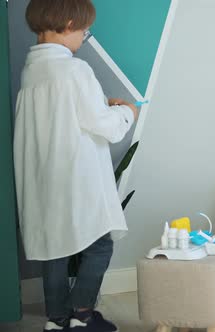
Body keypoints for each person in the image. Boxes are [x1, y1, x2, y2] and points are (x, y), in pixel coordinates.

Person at [13, 1, 138, 331]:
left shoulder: (31, 71)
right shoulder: (74, 70)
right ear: (69, 24)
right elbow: (104, 126)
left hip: (42, 180)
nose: (84, 37)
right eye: (84, 31)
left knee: (55, 248)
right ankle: (81, 314)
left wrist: (99, 103)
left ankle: (56, 320)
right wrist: (127, 112)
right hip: (74, 179)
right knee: (100, 245)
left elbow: (65, 115)